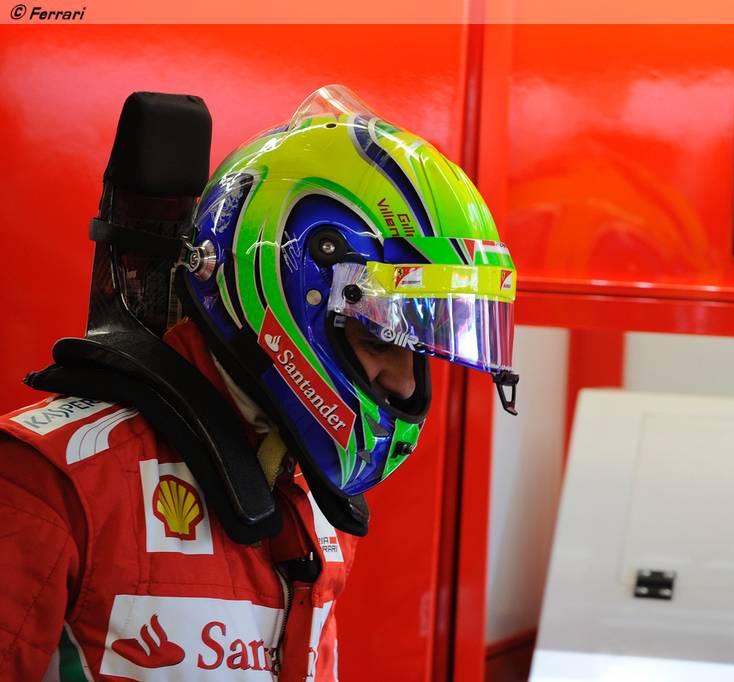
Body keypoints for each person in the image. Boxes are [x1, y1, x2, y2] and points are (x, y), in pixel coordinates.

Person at [0, 85, 518, 681]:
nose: (404, 384)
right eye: (380, 339)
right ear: (283, 299)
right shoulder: (49, 482)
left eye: (419, 350)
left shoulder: (309, 497)